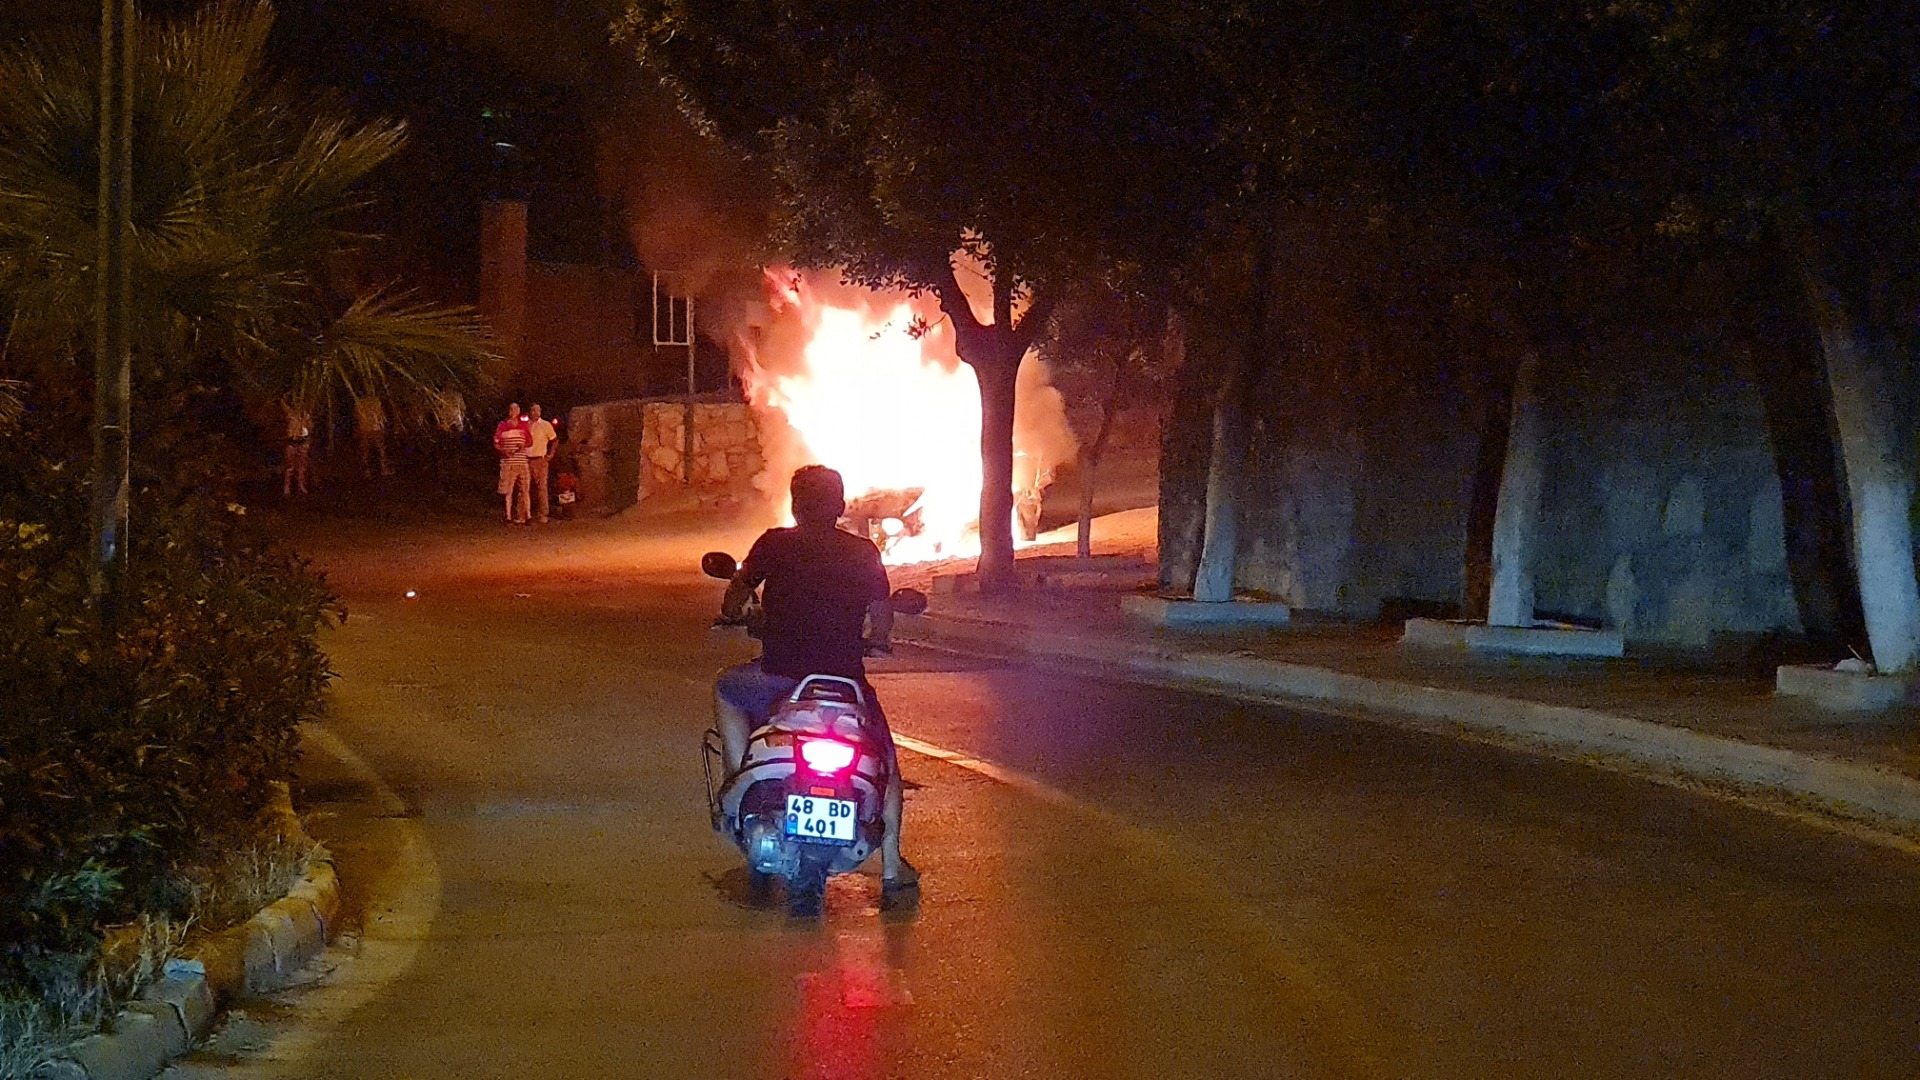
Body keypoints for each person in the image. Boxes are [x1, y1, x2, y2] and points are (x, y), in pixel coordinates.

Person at [715, 465, 918, 898]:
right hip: (845, 684)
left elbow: (737, 591)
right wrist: (878, 640)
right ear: (841, 507)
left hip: (778, 680)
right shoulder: (863, 552)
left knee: (727, 688)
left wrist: (737, 613)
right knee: (885, 763)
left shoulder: (773, 543)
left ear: (795, 505)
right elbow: (882, 610)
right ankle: (892, 865)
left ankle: (738, 777)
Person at [493, 402, 531, 524]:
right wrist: (504, 451)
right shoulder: (503, 425)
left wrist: (522, 445)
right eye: (511, 409)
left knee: (525, 489)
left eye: (515, 409)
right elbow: (496, 442)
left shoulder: (523, 426)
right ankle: (508, 516)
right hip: (508, 463)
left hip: (522, 461)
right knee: (508, 490)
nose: (513, 411)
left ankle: (528, 516)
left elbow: (530, 441)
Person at [525, 403, 558, 524]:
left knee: (542, 487)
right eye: (533, 410)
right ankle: (524, 514)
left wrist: (550, 454)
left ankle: (543, 513)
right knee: (524, 487)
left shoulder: (546, 425)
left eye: (537, 410)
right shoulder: (525, 425)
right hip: (527, 459)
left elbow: (554, 440)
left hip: (540, 459)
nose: (535, 413)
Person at [281, 399, 312, 496]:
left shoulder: (306, 418)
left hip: (302, 443)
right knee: (290, 467)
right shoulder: (291, 416)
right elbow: (284, 406)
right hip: (292, 443)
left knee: (302, 467)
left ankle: (301, 486)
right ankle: (287, 487)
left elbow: (309, 431)